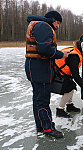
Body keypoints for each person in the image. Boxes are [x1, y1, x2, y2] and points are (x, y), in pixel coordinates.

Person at [25, 10, 70, 139]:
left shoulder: (38, 25)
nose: (57, 26)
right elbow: (44, 49)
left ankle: (40, 125)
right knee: (43, 100)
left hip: (35, 68)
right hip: (40, 69)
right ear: (52, 20)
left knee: (38, 98)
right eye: (57, 23)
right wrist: (62, 54)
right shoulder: (44, 26)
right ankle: (48, 128)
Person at [54, 41, 83, 117]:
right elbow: (76, 76)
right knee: (69, 89)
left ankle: (69, 105)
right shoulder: (74, 57)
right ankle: (60, 109)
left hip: (62, 71)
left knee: (72, 86)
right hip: (59, 72)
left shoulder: (77, 51)